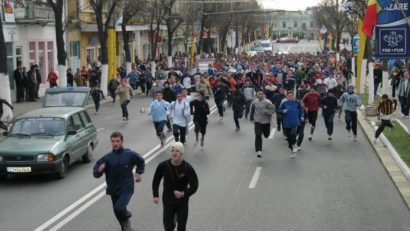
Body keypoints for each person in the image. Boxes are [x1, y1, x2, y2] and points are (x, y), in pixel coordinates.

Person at [93, 132, 145, 231]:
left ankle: (127, 220)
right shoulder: (107, 158)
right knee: (117, 212)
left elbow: (140, 161)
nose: (115, 143)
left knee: (119, 208)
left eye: (117, 141)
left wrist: (139, 172)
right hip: (113, 189)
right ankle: (125, 227)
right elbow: (96, 172)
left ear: (122, 141)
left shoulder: (129, 154)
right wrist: (99, 170)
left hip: (127, 187)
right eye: (113, 141)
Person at [152, 142, 199, 231]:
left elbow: (195, 185)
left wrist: (183, 194)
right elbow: (156, 180)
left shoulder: (187, 168)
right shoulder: (163, 166)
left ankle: (176, 216)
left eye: (177, 151)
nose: (174, 153)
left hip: (182, 201)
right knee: (168, 227)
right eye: (172, 150)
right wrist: (155, 195)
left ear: (181, 153)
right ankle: (173, 219)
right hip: (168, 200)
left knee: (181, 228)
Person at [250, 89, 275, 158]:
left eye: (261, 94)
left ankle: (265, 134)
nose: (260, 95)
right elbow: (252, 110)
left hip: (266, 122)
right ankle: (259, 150)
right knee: (258, 135)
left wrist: (266, 111)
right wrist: (251, 118)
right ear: (257, 94)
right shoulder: (255, 102)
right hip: (257, 121)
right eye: (259, 93)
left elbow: (273, 110)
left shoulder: (268, 102)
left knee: (266, 135)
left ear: (263, 95)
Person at [279, 91, 305, 158]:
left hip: (295, 122)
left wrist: (302, 116)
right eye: (289, 96)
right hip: (286, 123)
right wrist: (282, 111)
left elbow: (301, 110)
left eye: (291, 96)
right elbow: (278, 110)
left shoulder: (297, 103)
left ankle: (294, 145)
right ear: (287, 97)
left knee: (293, 134)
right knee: (289, 138)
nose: (290, 97)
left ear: (293, 96)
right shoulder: (284, 104)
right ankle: (292, 150)